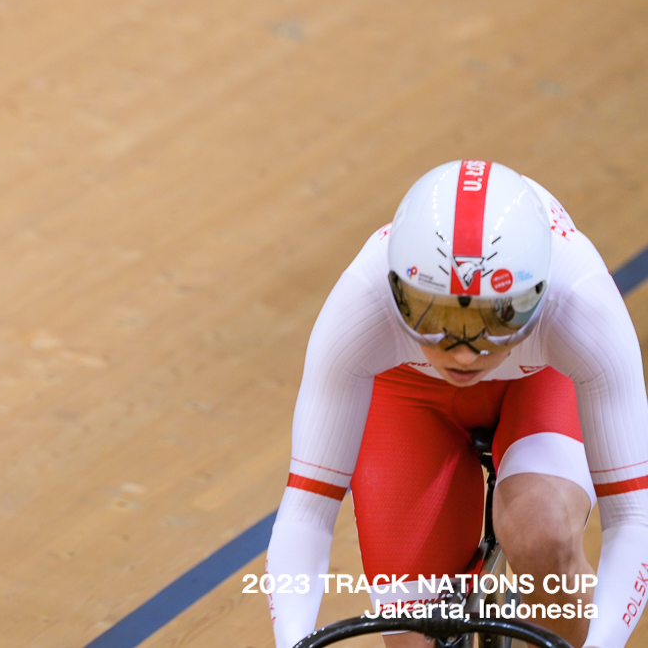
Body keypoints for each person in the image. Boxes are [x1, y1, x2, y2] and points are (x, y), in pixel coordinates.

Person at [265, 160, 648, 648]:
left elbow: (634, 519)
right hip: (407, 392)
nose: (465, 352)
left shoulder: (580, 301)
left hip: (539, 381)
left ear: (537, 297)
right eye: (434, 318)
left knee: (541, 535)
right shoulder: (363, 300)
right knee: (410, 636)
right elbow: (307, 510)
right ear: (398, 292)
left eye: (498, 320)